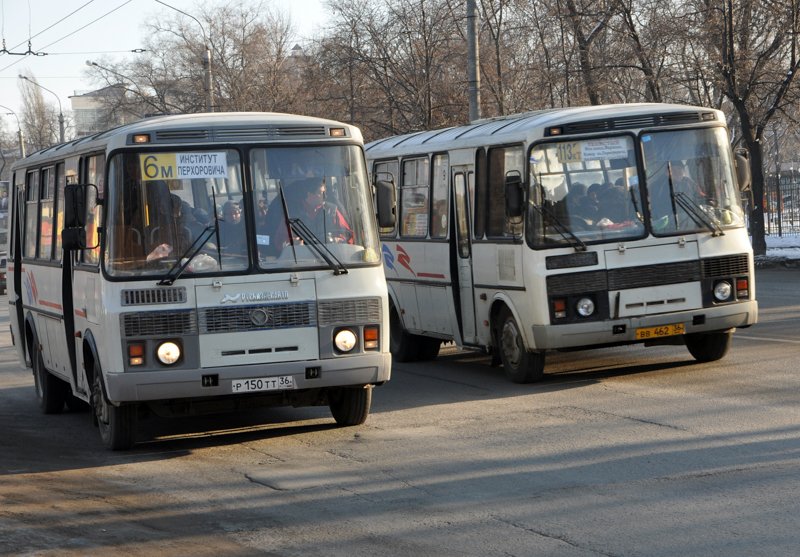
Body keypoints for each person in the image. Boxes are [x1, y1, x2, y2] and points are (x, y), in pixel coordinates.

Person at [274, 178, 353, 248]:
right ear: (309, 194)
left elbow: (348, 235)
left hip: (331, 260)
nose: (324, 196)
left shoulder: (332, 211)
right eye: (320, 193)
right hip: (300, 262)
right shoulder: (291, 214)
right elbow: (280, 241)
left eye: (324, 193)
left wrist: (338, 239)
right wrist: (293, 243)